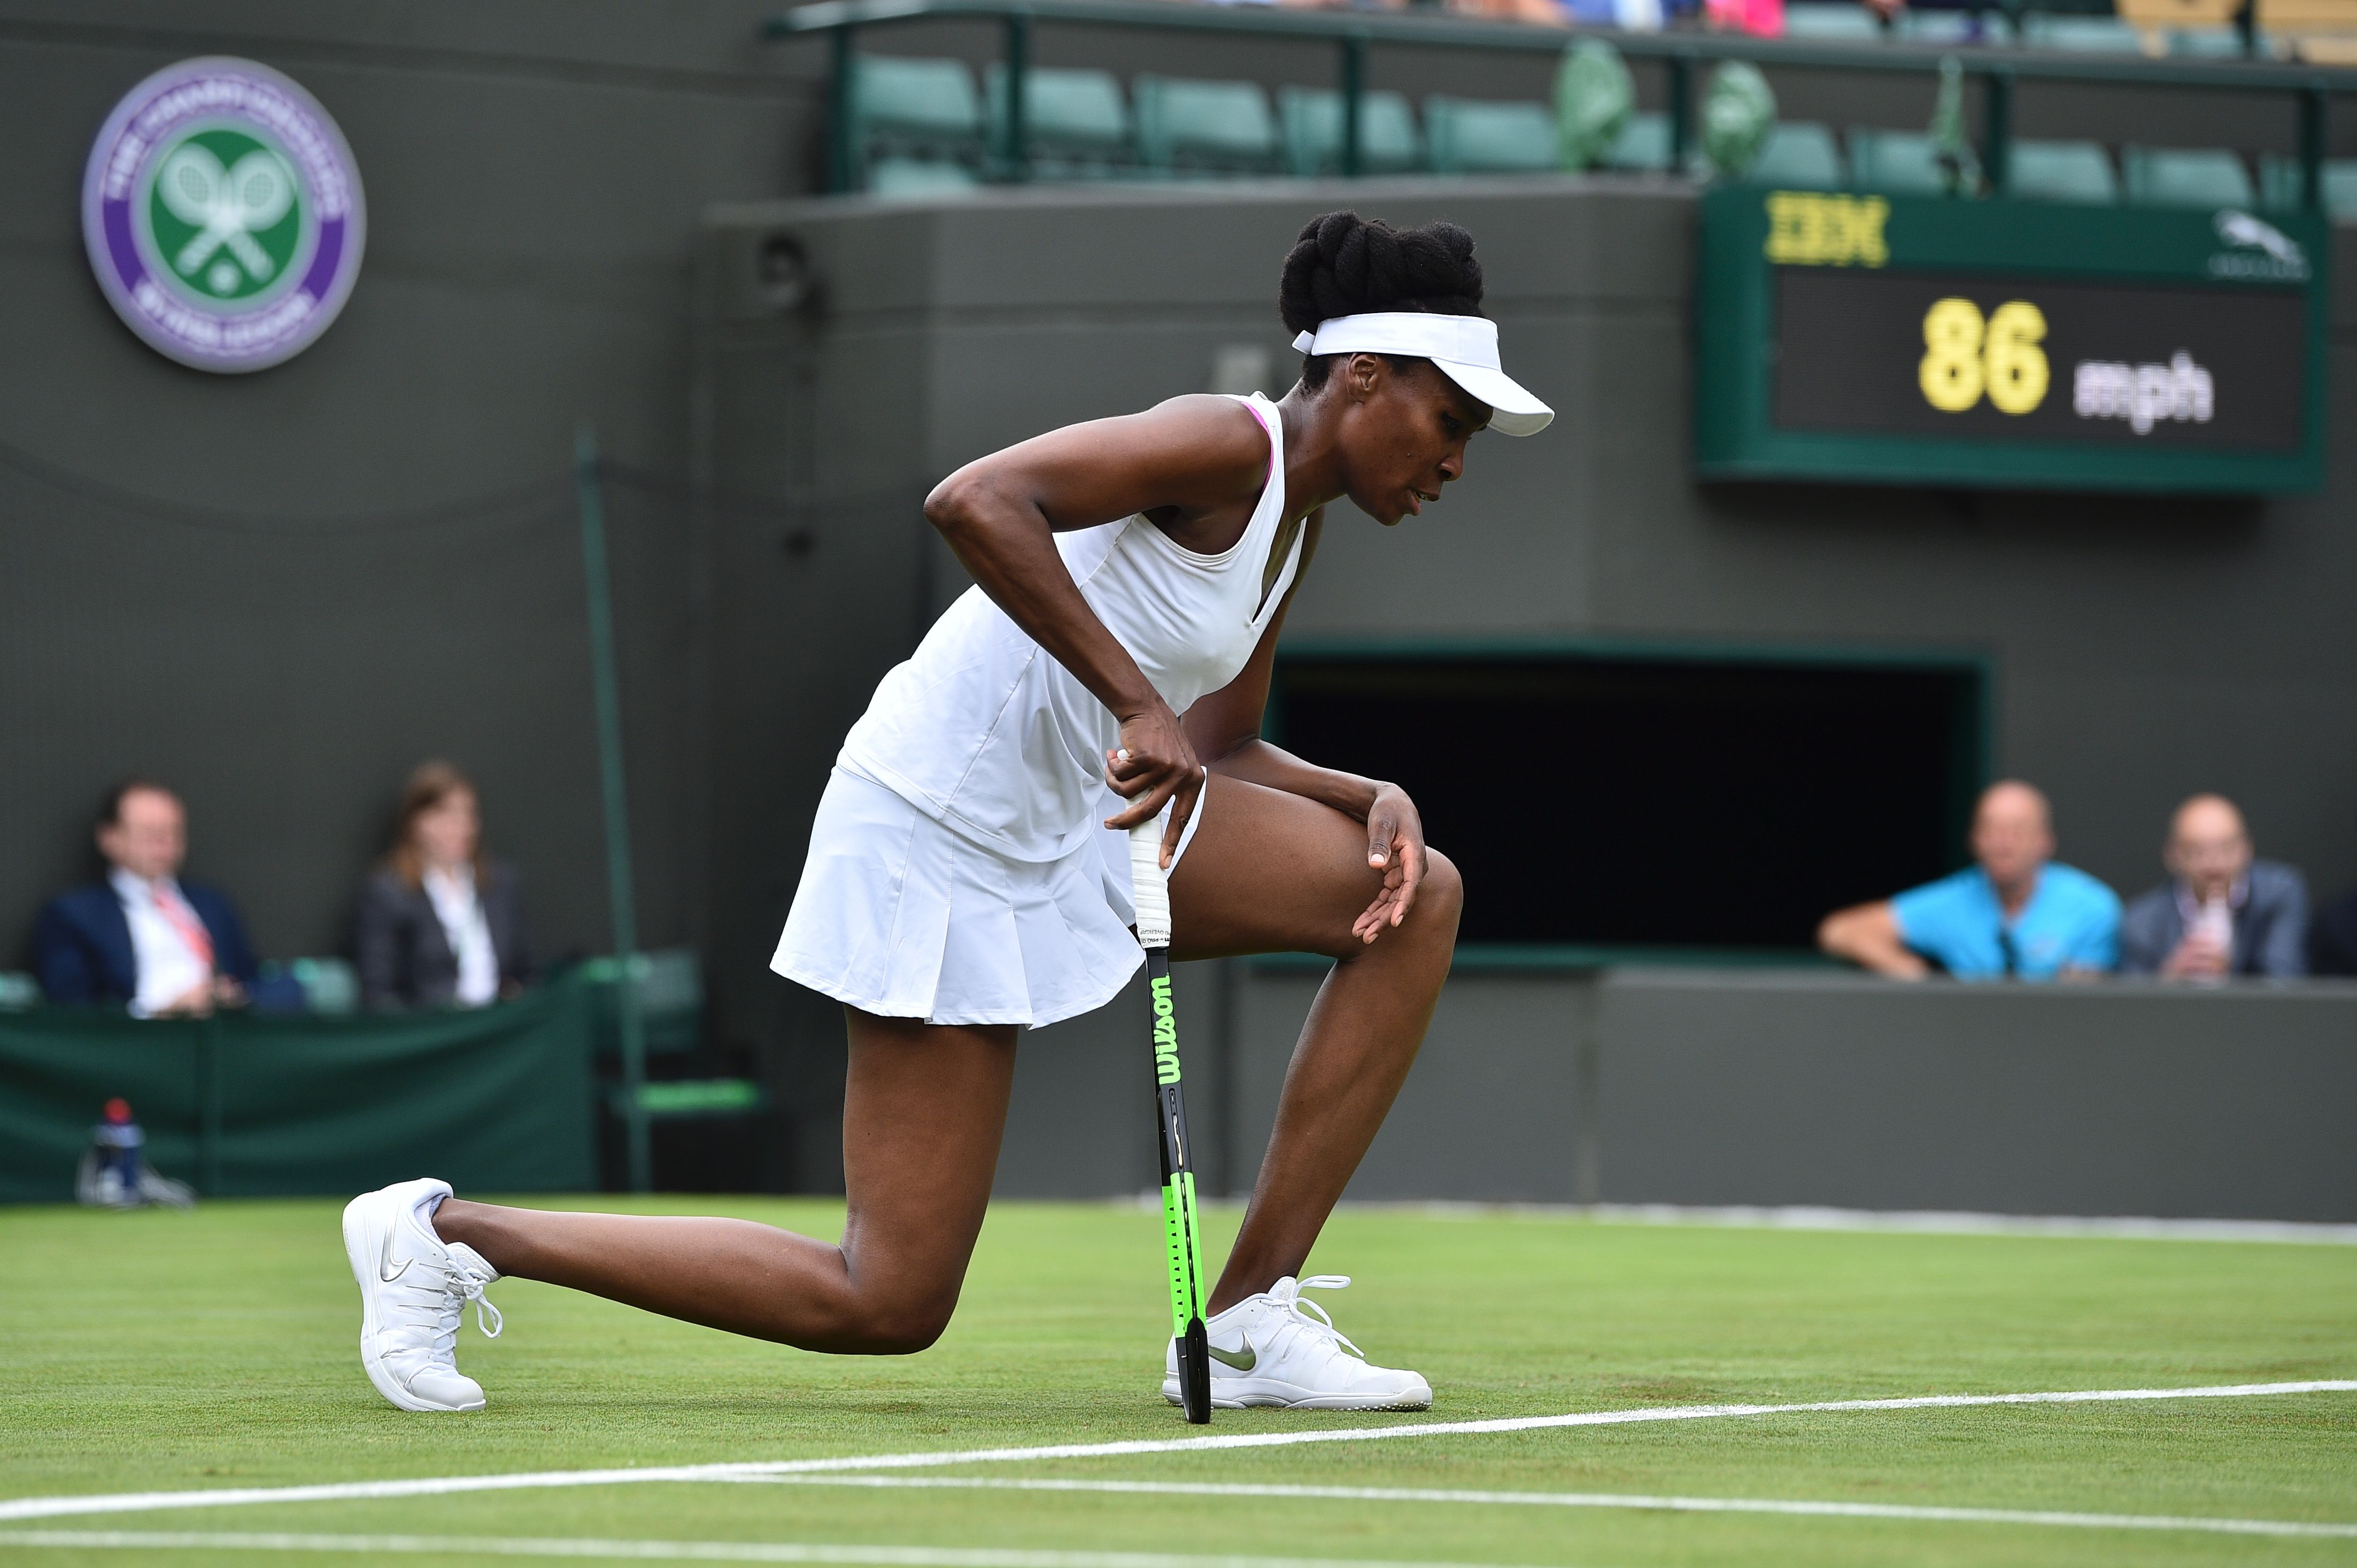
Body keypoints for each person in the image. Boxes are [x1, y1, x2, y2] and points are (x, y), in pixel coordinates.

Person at [338, 210, 1552, 1416]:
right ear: (1359, 374)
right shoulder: (1219, 443)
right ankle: (443, 1235)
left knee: (1408, 889)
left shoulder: (1295, 523)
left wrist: (1360, 794)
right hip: (937, 828)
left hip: (1081, 820)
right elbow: (976, 499)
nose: (1454, 458)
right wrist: (1133, 701)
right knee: (887, 1300)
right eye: (1448, 420)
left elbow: (1215, 742)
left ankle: (1242, 1322)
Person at [1817, 780, 2120, 980]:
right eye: (1990, 830)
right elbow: (1839, 931)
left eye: (2017, 831)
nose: (2003, 844)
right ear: (1974, 840)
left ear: (2045, 841)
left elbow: (2087, 1002)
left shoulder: (2092, 905)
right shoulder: (1956, 900)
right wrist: (1916, 976)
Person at [32, 780, 268, 1015]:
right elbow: (72, 1006)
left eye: (173, 830)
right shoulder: (74, 914)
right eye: (149, 832)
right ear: (110, 838)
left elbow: (251, 977)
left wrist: (234, 996)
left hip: (222, 1034)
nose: (164, 842)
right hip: (140, 1040)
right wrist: (162, 1012)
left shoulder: (212, 903)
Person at [353, 762, 534, 1010]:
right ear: (415, 822)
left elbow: (528, 970)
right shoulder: (388, 893)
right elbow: (379, 992)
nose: (461, 827)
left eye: (469, 814)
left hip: (498, 1029)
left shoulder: (500, 884)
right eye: (446, 815)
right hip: (433, 1033)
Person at [2118, 794, 2307, 980]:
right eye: (2197, 851)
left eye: (2226, 847)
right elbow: (2132, 998)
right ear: (2172, 855)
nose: (2213, 862)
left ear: (2247, 848)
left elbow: (2284, 980)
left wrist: (2229, 974)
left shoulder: (2278, 894)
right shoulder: (2143, 918)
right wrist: (2170, 977)